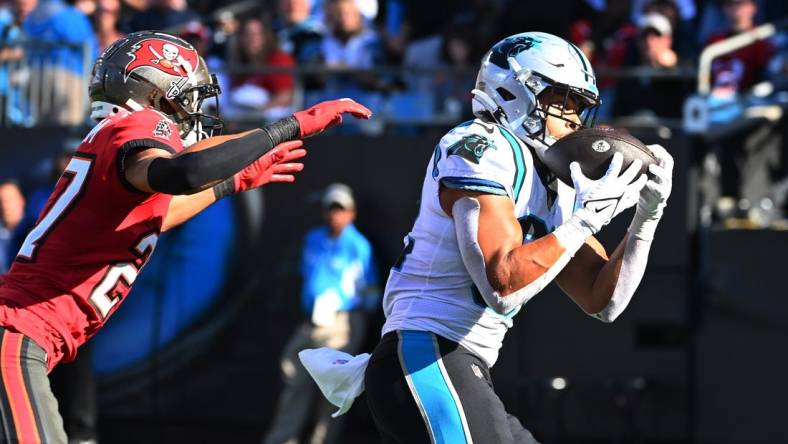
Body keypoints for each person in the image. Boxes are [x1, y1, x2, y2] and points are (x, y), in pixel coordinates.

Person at [0, 30, 371, 443]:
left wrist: (231, 183)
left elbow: (157, 214)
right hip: (17, 336)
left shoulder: (114, 142)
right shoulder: (137, 126)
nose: (195, 111)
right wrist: (290, 125)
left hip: (29, 336)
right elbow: (182, 173)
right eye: (189, 97)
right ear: (158, 94)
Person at [303, 31, 674, 443]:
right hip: (426, 355)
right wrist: (585, 220)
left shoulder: (553, 184)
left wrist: (647, 216)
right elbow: (501, 285)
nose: (573, 119)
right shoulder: (481, 145)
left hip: (460, 365)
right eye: (563, 101)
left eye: (580, 108)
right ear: (515, 91)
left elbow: (602, 300)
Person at [263, 183, 379, 444]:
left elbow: (370, 287)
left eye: (340, 209)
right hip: (312, 323)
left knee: (333, 393)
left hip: (341, 325)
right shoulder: (313, 239)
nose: (334, 214)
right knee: (295, 383)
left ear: (351, 212)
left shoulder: (359, 245)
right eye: (330, 208)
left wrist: (358, 319)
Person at [0, 180, 24, 273]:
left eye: (9, 200)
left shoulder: (35, 232)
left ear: (22, 200)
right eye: (1, 201)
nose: (5, 206)